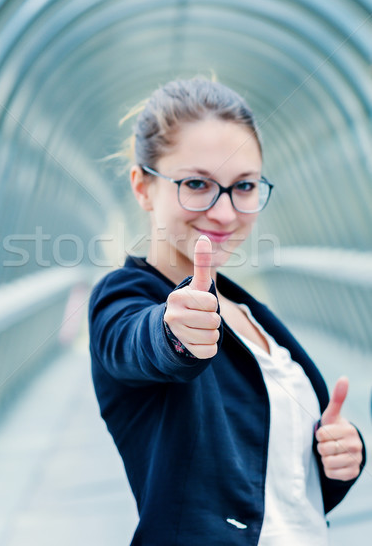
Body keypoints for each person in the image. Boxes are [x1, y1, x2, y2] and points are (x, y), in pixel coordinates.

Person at [88, 77, 365, 545]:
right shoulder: (127, 298)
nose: (225, 212)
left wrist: (337, 457)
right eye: (197, 184)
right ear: (143, 187)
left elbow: (273, 485)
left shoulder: (248, 313)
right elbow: (135, 341)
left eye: (244, 186)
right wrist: (172, 334)